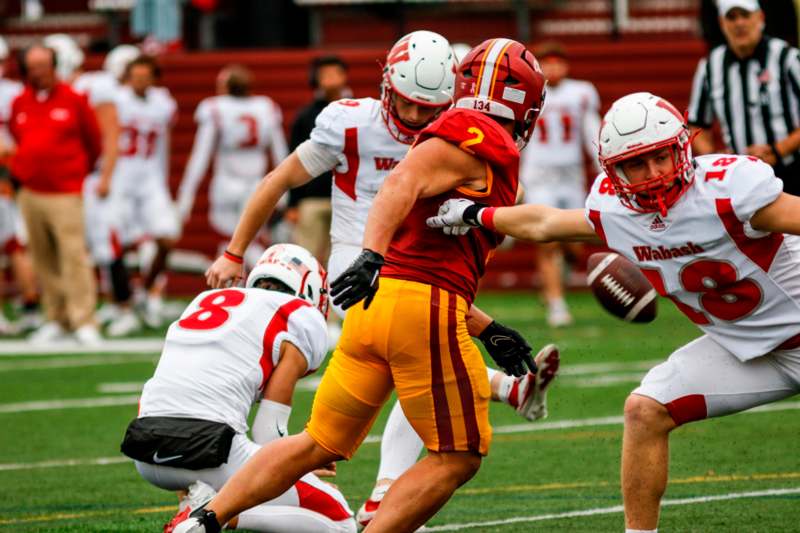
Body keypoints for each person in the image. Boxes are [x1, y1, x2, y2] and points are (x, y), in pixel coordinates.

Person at [171, 37, 547, 533]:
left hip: (400, 287)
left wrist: (485, 321)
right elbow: (295, 181)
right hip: (369, 274)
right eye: (406, 101)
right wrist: (235, 250)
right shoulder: (372, 126)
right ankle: (392, 487)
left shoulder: (457, 130)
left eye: (425, 108)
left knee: (325, 436)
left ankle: (207, 519)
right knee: (448, 433)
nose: (413, 116)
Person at [426, 91, 800, 533]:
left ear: (681, 146)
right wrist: (475, 213)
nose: (653, 173)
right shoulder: (614, 208)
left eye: (660, 157)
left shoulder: (728, 189)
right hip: (747, 352)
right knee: (644, 410)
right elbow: (545, 224)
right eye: (635, 164)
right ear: (613, 169)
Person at [126, 243, 356, 533]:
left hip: (145, 451)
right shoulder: (297, 315)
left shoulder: (203, 301)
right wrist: (300, 462)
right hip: (210, 452)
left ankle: (195, 503)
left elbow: (169, 392)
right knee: (340, 519)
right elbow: (268, 433)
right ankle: (210, 518)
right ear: (310, 289)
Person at [44, 35, 140, 337]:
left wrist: (107, 176)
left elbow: (111, 133)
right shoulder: (54, 93)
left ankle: (124, 305)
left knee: (107, 242)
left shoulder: (94, 86)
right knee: (78, 246)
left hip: (96, 177)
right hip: (70, 178)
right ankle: (81, 310)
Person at [10, 44, 102, 344]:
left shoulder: (73, 99)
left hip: (65, 191)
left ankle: (83, 319)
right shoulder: (20, 101)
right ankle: (57, 318)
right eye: (33, 65)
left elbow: (94, 141)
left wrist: (75, 173)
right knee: (43, 258)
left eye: (43, 65)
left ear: (54, 65)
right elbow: (18, 136)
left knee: (73, 255)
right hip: (30, 191)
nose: (38, 71)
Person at [520, 41, 601, 327]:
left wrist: (602, 166)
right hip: (539, 177)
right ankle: (556, 303)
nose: (553, 69)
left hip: (571, 177)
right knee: (548, 241)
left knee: (574, 246)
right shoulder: (527, 91)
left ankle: (556, 281)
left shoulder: (582, 92)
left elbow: (592, 132)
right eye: (547, 63)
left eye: (558, 62)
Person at [177, 63, 289, 266]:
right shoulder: (266, 106)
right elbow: (280, 152)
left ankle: (233, 290)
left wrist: (186, 195)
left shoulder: (215, 107)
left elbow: (200, 156)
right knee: (251, 241)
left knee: (229, 243)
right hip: (257, 183)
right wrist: (284, 192)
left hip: (226, 183)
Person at [688, 0, 800, 196]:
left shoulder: (787, 57)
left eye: (745, 15)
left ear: (760, 18)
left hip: (792, 173)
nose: (739, 23)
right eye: (732, 17)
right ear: (722, 23)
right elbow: (697, 124)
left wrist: (778, 150)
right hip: (740, 181)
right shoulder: (710, 66)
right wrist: (714, 158)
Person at [111, 54, 179, 328]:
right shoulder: (116, 100)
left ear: (153, 78)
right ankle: (123, 305)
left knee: (167, 238)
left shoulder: (162, 102)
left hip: (149, 178)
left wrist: (163, 179)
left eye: (145, 76)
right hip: (121, 177)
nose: (140, 81)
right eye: (135, 76)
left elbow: (165, 142)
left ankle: (143, 292)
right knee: (115, 243)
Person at [286, 55, 350, 265]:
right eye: (326, 74)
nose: (331, 78)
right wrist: (293, 203)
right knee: (305, 259)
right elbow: (292, 158)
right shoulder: (305, 116)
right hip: (312, 197)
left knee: (343, 260)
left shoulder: (356, 112)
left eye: (335, 73)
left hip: (345, 197)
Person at [0, 35, 41, 334]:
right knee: (15, 244)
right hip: (14, 174)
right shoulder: (17, 91)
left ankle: (28, 304)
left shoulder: (15, 93)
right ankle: (30, 305)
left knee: (15, 244)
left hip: (8, 174)